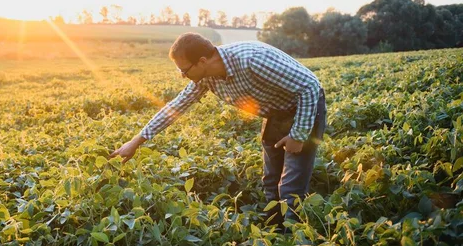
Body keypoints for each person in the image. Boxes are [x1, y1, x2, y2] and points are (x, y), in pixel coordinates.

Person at [109, 32, 326, 226]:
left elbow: (309, 86)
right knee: (271, 181)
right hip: (276, 114)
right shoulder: (207, 78)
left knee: (290, 187)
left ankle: (293, 243)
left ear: (202, 61)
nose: (182, 77)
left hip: (305, 107)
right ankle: (274, 229)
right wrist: (136, 142)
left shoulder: (251, 59)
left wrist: (298, 135)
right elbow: (176, 106)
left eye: (184, 71)